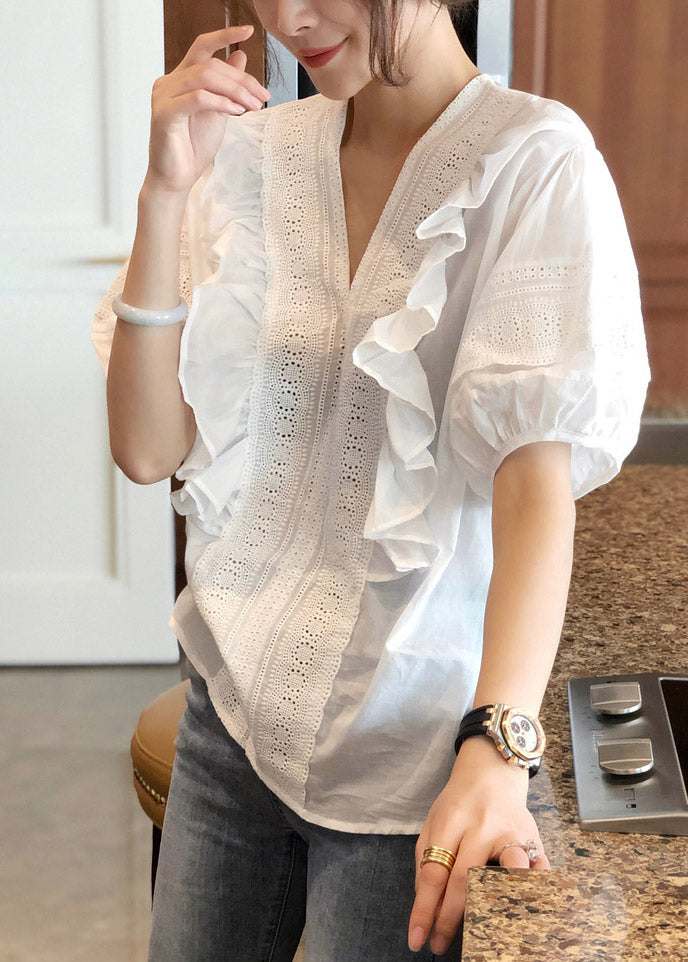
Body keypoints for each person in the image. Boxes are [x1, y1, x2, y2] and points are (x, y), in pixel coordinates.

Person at [91, 1, 651, 958]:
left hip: (411, 756)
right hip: (229, 720)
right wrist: (164, 191)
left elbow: (534, 484)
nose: (291, 17)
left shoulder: (533, 162)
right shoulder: (253, 154)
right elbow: (147, 451)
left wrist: (499, 745)